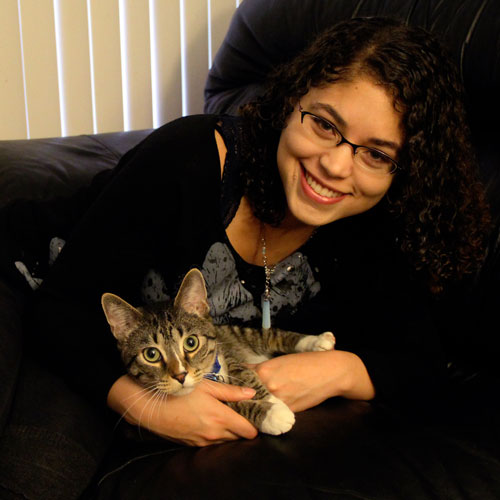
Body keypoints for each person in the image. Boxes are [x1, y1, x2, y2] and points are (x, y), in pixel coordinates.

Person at [27, 17, 490, 448]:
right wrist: (147, 410)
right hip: (28, 283)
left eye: (376, 154)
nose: (335, 165)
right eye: (326, 125)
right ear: (292, 102)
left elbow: (423, 362)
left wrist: (341, 369)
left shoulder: (373, 221)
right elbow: (58, 308)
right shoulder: (184, 161)